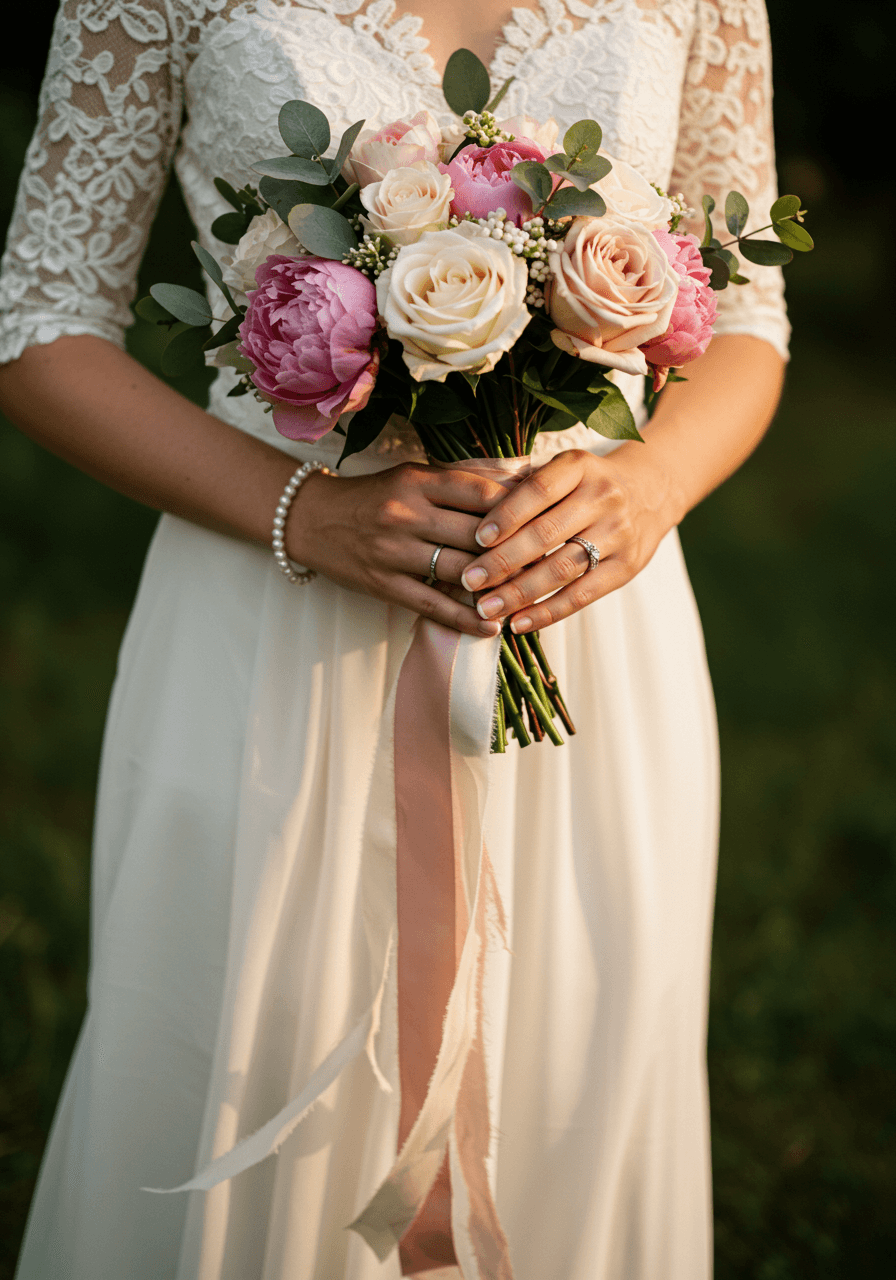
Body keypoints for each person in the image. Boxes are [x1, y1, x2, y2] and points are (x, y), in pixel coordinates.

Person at [0, 2, 789, 1277]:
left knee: (577, 1070)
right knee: (240, 1049)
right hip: (274, 619)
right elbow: (39, 326)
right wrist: (306, 512)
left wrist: (646, 491)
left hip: (589, 616)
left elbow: (747, 314)